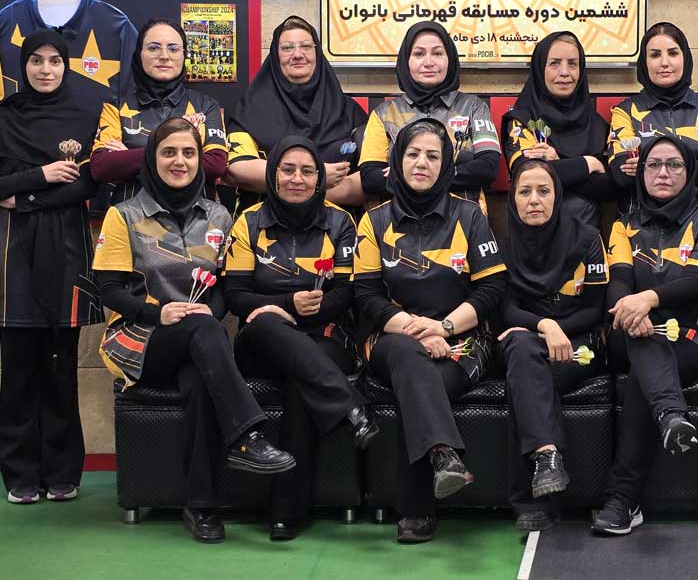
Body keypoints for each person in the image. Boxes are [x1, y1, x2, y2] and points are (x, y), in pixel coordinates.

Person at [92, 117, 295, 544]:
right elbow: (108, 290)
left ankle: (201, 506)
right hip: (140, 340)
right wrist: (158, 313)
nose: (179, 161)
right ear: (152, 158)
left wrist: (206, 312)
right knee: (202, 329)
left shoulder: (219, 215)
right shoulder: (123, 215)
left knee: (202, 379)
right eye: (169, 152)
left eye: (188, 152)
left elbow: (222, 289)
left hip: (199, 343)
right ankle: (248, 434)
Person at [0, 29, 103, 506]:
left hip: (66, 251)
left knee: (61, 368)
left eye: (55, 61)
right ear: (22, 66)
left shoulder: (86, 117)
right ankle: (20, 474)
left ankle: (62, 472)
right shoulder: (3, 118)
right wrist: (40, 176)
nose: (45, 70)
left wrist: (16, 195)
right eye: (36, 61)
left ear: (67, 66)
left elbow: (86, 185)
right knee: (19, 368)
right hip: (13, 254)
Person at [353, 118, 508, 543]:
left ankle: (418, 508)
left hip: (463, 341)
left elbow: (493, 288)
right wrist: (415, 331)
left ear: (446, 166)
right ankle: (443, 454)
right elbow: (366, 295)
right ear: (397, 160)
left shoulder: (469, 216)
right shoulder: (374, 221)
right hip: (393, 339)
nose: (422, 163)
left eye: (433, 156)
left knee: (420, 385)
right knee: (409, 359)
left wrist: (443, 326)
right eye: (413, 154)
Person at [225, 136, 379, 541]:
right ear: (273, 175)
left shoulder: (341, 222)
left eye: (307, 171)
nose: (297, 179)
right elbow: (235, 295)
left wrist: (306, 311)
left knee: (302, 376)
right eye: (288, 170)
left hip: (324, 335)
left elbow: (348, 293)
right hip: (261, 338)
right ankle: (350, 404)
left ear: (319, 178)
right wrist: (284, 305)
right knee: (268, 325)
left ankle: (286, 511)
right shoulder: (248, 222)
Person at [591, 136, 698, 536]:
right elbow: (618, 281)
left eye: (674, 165)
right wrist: (630, 309)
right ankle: (670, 415)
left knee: (644, 372)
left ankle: (622, 500)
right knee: (644, 344)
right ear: (641, 173)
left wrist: (647, 300)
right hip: (632, 331)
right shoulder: (624, 225)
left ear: (689, 173)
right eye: (653, 165)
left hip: (695, 340)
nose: (663, 173)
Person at [498, 160, 608, 532]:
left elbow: (594, 309)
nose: (534, 200)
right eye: (525, 192)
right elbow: (506, 309)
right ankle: (547, 458)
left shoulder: (588, 239)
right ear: (513, 199)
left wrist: (558, 330)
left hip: (579, 343)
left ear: (557, 196)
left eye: (543, 191)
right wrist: (545, 326)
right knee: (522, 351)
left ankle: (531, 503)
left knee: (524, 376)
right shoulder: (503, 245)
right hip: (528, 340)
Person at [227, 16, 368, 209]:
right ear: (275, 56)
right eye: (287, 48)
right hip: (265, 222)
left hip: (336, 224)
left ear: (317, 53)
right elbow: (238, 167)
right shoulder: (250, 109)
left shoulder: (349, 111)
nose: (297, 54)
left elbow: (370, 174)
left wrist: (305, 192)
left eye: (306, 47)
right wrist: (318, 177)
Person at [359, 21, 502, 211]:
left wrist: (407, 175)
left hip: (465, 219)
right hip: (398, 220)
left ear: (450, 59)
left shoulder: (474, 107)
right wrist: (453, 173)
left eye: (437, 53)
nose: (428, 62)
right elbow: (370, 177)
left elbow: (488, 166)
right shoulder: (383, 113)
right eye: (419, 54)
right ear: (406, 61)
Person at [89, 19, 228, 206]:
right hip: (131, 218)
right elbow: (101, 166)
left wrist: (131, 157)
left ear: (184, 54)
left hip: (196, 218)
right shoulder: (116, 107)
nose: (164, 56)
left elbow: (216, 164)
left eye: (173, 48)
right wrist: (185, 156)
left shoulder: (206, 106)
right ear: (139, 54)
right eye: (154, 48)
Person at [606, 23, 698, 211]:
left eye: (673, 53)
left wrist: (647, 166)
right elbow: (622, 175)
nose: (664, 62)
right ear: (644, 62)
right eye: (655, 55)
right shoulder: (626, 111)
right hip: (638, 222)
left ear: (685, 58)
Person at [501, 32, 615, 226]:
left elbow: (611, 188)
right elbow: (528, 175)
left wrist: (558, 166)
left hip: (587, 236)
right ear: (540, 68)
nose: (564, 72)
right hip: (535, 236)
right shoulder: (522, 120)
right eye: (554, 63)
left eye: (572, 63)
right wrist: (589, 163)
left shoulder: (596, 124)